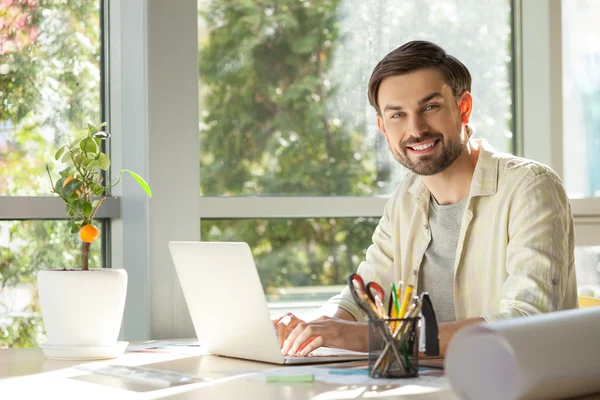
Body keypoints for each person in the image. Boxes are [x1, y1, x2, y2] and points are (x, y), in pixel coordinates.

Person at [273, 40, 579, 358]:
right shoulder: (406, 199)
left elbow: (527, 323)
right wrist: (310, 328)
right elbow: (362, 297)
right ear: (382, 127)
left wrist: (373, 338)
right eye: (397, 115)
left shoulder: (530, 187)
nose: (415, 129)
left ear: (463, 107)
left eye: (429, 107)